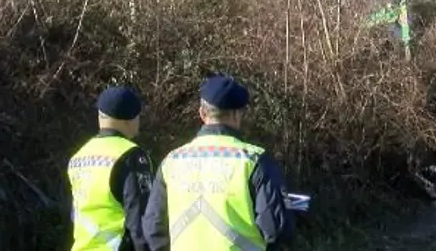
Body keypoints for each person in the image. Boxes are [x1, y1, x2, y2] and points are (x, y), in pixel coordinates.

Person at [142, 74, 295, 250]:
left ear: (202, 113)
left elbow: (153, 227)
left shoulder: (172, 161)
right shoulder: (254, 160)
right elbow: (276, 228)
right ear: (237, 115)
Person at [67, 85, 155, 251]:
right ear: (129, 119)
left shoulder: (78, 157)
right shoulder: (131, 156)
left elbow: (75, 215)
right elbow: (140, 219)